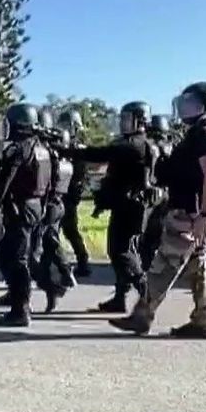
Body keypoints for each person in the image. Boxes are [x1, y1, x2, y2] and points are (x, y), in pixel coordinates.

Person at [110, 82, 206, 339]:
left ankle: (142, 316)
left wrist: (205, 215)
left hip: (192, 211)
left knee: (163, 265)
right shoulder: (199, 132)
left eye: (188, 101)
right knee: (199, 264)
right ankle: (203, 320)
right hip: (196, 210)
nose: (182, 106)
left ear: (202, 104)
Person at [73, 102, 158, 313]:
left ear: (140, 121)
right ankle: (120, 298)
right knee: (125, 251)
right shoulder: (139, 144)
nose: (122, 123)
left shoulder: (133, 145)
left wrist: (72, 150)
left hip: (130, 207)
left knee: (120, 251)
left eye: (127, 119)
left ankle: (147, 291)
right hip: (128, 205)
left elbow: (98, 154)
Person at [0, 102, 51, 327]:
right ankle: (16, 297)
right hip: (35, 207)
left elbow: (3, 182)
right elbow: (49, 184)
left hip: (19, 209)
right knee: (6, 256)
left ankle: (20, 310)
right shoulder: (42, 148)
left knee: (17, 259)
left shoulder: (19, 149)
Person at [30, 112, 77, 313]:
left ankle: (51, 286)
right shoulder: (60, 154)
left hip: (46, 205)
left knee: (32, 253)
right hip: (58, 205)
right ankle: (64, 273)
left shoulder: (44, 154)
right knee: (52, 244)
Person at [57, 109, 93, 278]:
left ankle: (83, 260)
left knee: (69, 229)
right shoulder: (61, 145)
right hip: (61, 193)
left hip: (70, 194)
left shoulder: (78, 149)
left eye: (66, 125)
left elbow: (79, 175)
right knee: (61, 229)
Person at [140, 115, 176, 269]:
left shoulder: (152, 147)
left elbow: (149, 172)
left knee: (147, 233)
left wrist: (146, 185)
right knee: (159, 232)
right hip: (167, 193)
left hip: (154, 192)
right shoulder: (171, 146)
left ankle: (146, 264)